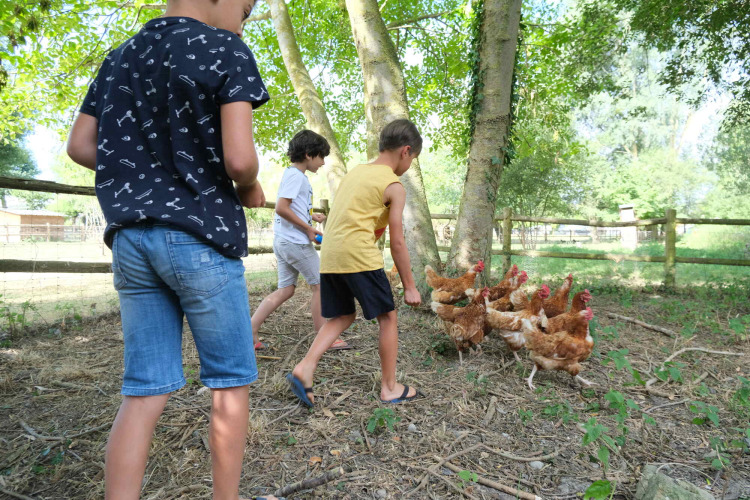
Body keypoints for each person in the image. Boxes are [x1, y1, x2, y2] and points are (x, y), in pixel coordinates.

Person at [66, 1, 277, 498]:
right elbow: (241, 158)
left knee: (143, 390)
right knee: (228, 384)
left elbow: (79, 145)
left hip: (131, 241)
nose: (243, 20)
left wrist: (140, 173)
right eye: (245, 10)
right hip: (199, 236)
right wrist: (247, 188)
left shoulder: (119, 56)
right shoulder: (225, 47)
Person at [287, 118, 423, 407]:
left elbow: (356, 219)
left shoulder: (356, 172)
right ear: (406, 151)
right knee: (388, 317)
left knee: (342, 316)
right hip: (359, 256)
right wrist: (410, 286)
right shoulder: (394, 185)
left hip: (331, 256)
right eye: (413, 159)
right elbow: (398, 242)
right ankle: (389, 387)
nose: (409, 165)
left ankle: (305, 367)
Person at [251, 130, 351, 351]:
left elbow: (290, 208)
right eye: (321, 156)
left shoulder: (293, 175)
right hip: (294, 243)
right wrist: (308, 228)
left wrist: (310, 216)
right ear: (308, 154)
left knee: (286, 290)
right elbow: (281, 208)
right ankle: (324, 337)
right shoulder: (297, 176)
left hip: (284, 241)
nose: (323, 163)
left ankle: (251, 330)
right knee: (320, 286)